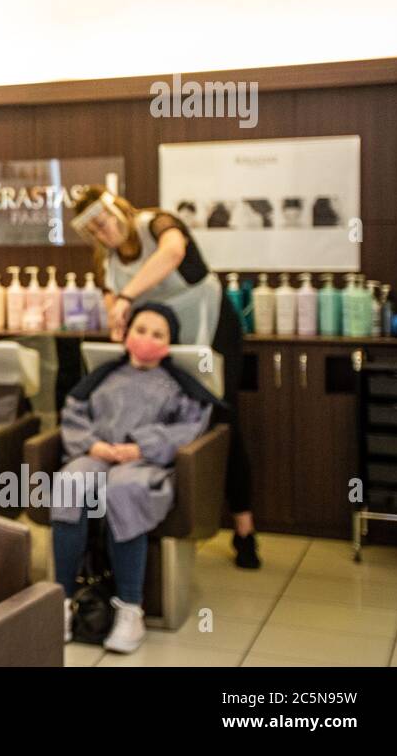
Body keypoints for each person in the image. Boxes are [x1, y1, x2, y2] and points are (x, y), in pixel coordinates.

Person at [70, 185, 261, 570]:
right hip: (161, 342)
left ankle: (244, 530)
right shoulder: (107, 261)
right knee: (160, 414)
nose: (103, 234)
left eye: (103, 223)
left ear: (117, 208)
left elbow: (173, 253)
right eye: (93, 232)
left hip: (211, 331)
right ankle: (151, 519)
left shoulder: (158, 223)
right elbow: (114, 308)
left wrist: (127, 298)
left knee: (221, 418)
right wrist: (118, 321)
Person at [52, 303, 221, 653]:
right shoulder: (103, 378)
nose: (146, 339)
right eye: (140, 330)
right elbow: (74, 415)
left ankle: (131, 610)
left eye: (157, 334)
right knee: (69, 484)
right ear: (126, 334)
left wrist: (141, 448)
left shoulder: (178, 386)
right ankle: (62, 602)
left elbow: (189, 427)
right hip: (96, 455)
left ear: (169, 343)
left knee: (124, 489)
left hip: (145, 465)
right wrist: (93, 445)